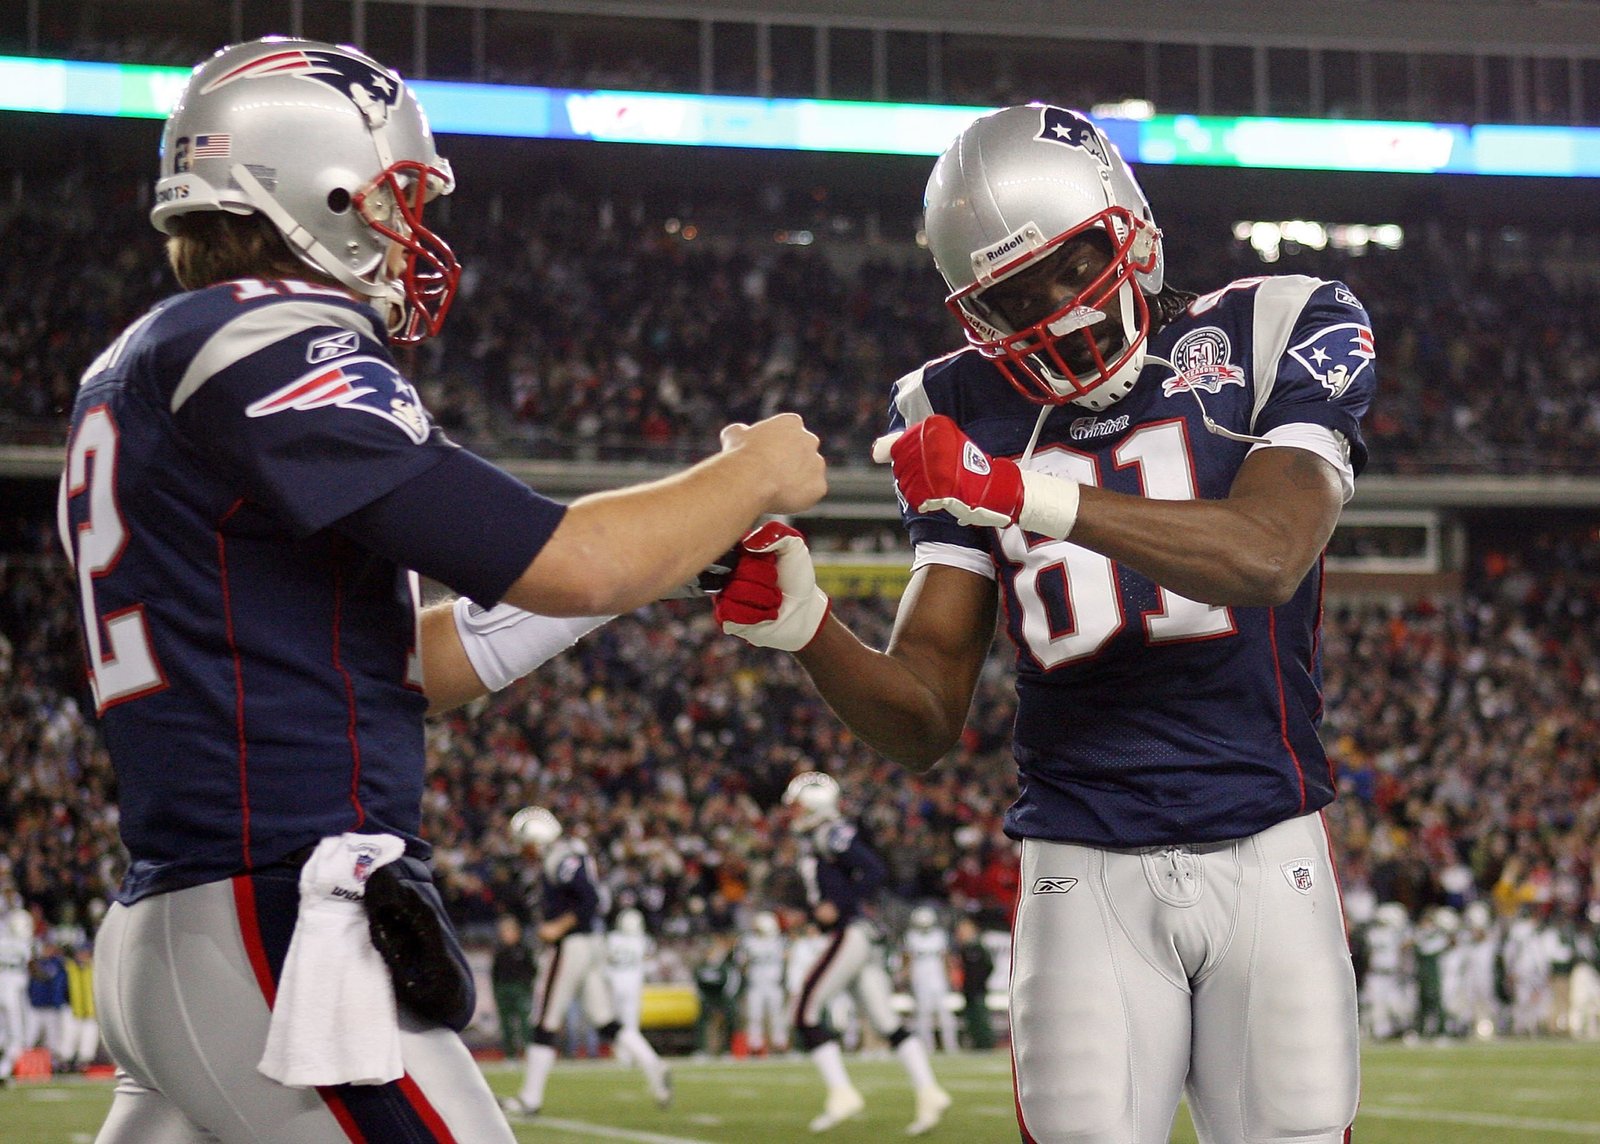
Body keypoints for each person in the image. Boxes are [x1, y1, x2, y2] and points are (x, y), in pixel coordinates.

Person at [57, 36, 824, 1144]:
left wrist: (679, 561)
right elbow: (567, 555)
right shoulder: (265, 336)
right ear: (313, 186)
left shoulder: (158, 356)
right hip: (274, 914)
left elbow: (412, 663)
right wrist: (752, 471)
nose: (405, 227)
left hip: (196, 912)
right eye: (391, 195)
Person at [715, 103, 1372, 1143]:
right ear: (971, 311)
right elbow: (926, 715)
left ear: (1131, 225)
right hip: (1082, 863)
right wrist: (806, 625)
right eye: (1016, 295)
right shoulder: (946, 401)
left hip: (1265, 842)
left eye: (1071, 267)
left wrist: (1026, 493)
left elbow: (1268, 553)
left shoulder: (1277, 321)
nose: (1059, 310)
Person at [779, 772, 950, 1135]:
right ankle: (929, 1090)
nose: (792, 813)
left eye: (796, 805)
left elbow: (873, 869)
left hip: (851, 932)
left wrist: (839, 906)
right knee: (885, 1020)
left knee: (803, 1009)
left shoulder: (830, 832)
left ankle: (841, 1092)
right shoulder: (816, 838)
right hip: (854, 933)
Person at [501, 807, 672, 1117]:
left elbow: (590, 899)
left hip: (572, 945)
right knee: (605, 1020)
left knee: (544, 1020)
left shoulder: (560, 857)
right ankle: (653, 1065)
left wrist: (559, 925)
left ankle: (530, 1098)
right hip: (589, 944)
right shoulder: (571, 852)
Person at [902, 905, 958, 1053]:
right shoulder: (911, 936)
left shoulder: (939, 935)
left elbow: (945, 958)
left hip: (937, 978)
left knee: (945, 1013)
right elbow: (908, 959)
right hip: (920, 979)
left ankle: (951, 1045)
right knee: (923, 1014)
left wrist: (949, 976)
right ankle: (927, 1047)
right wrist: (906, 977)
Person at [737, 909, 790, 1056]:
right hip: (756, 984)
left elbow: (788, 960)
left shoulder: (780, 941)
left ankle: (780, 1043)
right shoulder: (748, 941)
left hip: (774, 984)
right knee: (755, 1015)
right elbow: (741, 962)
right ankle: (755, 1045)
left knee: (777, 1015)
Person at [604, 908, 653, 1052]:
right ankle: (632, 1053)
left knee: (616, 1021)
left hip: (614, 982)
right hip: (632, 984)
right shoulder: (642, 940)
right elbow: (648, 963)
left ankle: (620, 1052)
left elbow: (605, 960)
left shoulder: (612, 938)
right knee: (630, 1021)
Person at [490, 915, 536, 1059]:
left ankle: (529, 1051)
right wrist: (497, 990)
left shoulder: (524, 949)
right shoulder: (499, 951)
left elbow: (532, 969)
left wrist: (526, 985)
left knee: (524, 1022)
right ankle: (510, 1054)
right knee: (506, 1024)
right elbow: (494, 973)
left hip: (520, 988)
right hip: (503, 989)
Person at [952, 916, 996, 1051]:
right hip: (967, 989)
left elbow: (989, 966)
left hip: (978, 989)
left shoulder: (978, 947)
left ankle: (986, 1043)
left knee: (981, 1017)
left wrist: (980, 980)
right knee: (971, 1018)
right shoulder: (963, 949)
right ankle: (976, 1043)